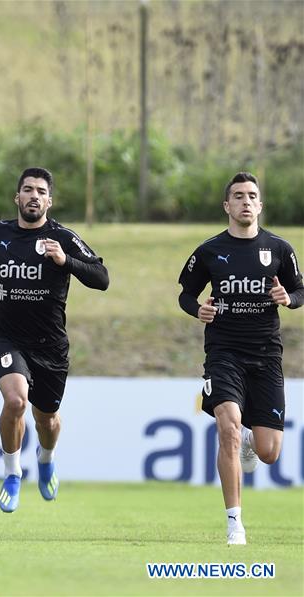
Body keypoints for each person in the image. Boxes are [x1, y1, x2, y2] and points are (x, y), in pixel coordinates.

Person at [0, 167, 109, 513]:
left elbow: (102, 278)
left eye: (41, 191)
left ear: (49, 200)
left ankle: (45, 458)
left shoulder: (64, 238)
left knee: (47, 420)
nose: (34, 196)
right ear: (17, 197)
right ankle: (13, 474)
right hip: (7, 338)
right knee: (15, 402)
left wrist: (65, 260)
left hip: (50, 346)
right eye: (27, 190)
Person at [177, 171, 303, 546]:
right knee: (227, 427)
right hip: (223, 352)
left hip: (266, 356)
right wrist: (196, 309)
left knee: (268, 453)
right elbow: (186, 294)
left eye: (252, 196)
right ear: (227, 206)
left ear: (260, 205)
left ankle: (251, 440)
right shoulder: (208, 251)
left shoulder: (279, 249)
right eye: (238, 196)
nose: (246, 201)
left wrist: (289, 300)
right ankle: (235, 524)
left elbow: (300, 290)